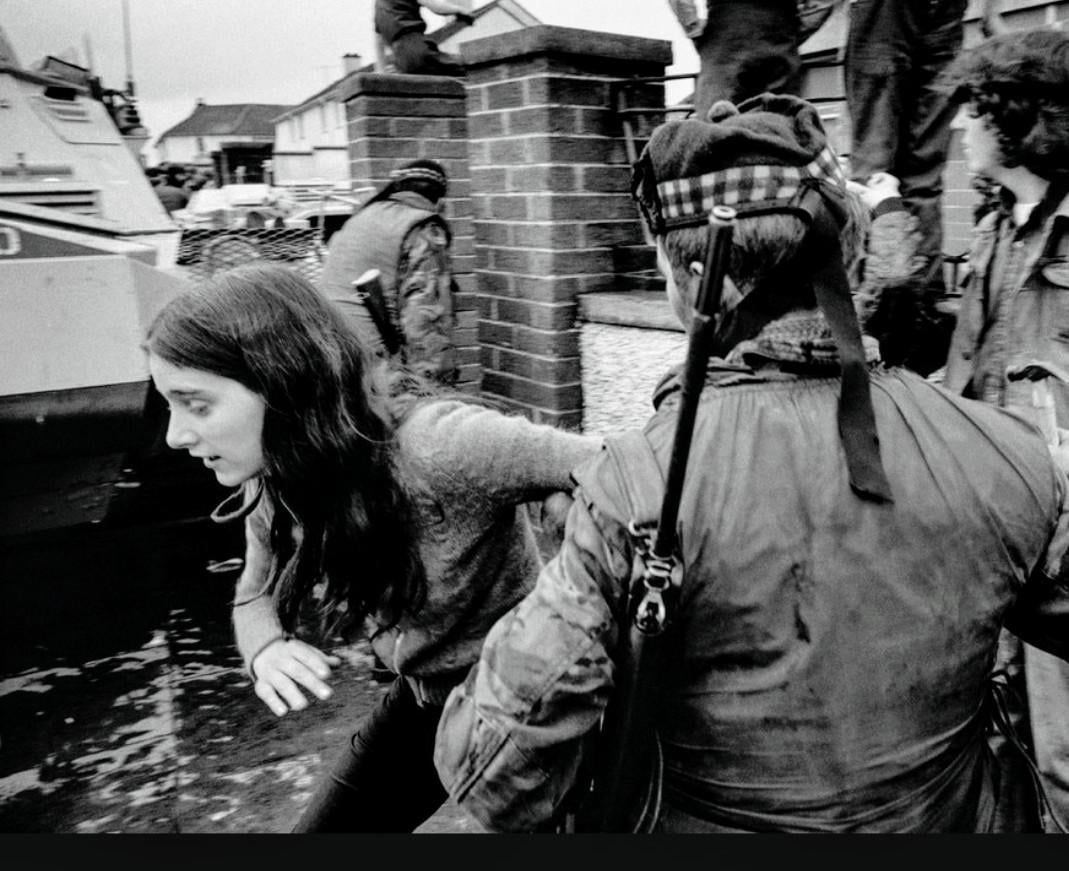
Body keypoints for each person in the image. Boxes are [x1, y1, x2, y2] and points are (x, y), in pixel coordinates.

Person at [433, 93, 1069, 833]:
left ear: (706, 282)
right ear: (847, 255)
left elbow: (492, 769)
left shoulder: (637, 487)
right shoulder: (1005, 454)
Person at [143, 263, 602, 832]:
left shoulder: (439, 447)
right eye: (169, 404)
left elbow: (623, 473)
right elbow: (253, 592)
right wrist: (264, 648)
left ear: (280, 382)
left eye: (197, 404)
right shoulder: (277, 482)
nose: (175, 435)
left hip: (531, 706)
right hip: (423, 701)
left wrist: (574, 521)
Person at [854, 27, 1069, 832]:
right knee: (1008, 729)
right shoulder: (993, 230)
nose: (958, 129)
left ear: (1016, 118)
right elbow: (961, 366)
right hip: (997, 521)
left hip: (1060, 536)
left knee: (1063, 748)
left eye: (973, 111)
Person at [842, 0, 1004, 376]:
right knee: (874, 168)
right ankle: (867, 321)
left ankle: (919, 327)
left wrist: (992, 6)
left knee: (926, 175)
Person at [320, 159, 459, 387]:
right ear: (441, 202)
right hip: (374, 374)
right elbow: (426, 321)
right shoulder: (423, 229)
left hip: (330, 357)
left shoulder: (360, 219)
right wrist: (434, 393)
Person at [668, 0, 840, 119]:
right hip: (781, 19)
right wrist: (797, 29)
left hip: (728, 21)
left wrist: (692, 25)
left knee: (717, 125)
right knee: (779, 128)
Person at [373, 0, 473, 77]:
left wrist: (382, 70)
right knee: (464, 64)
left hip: (401, 61)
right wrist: (460, 10)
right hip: (418, 50)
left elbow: (379, 40)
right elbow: (435, 6)